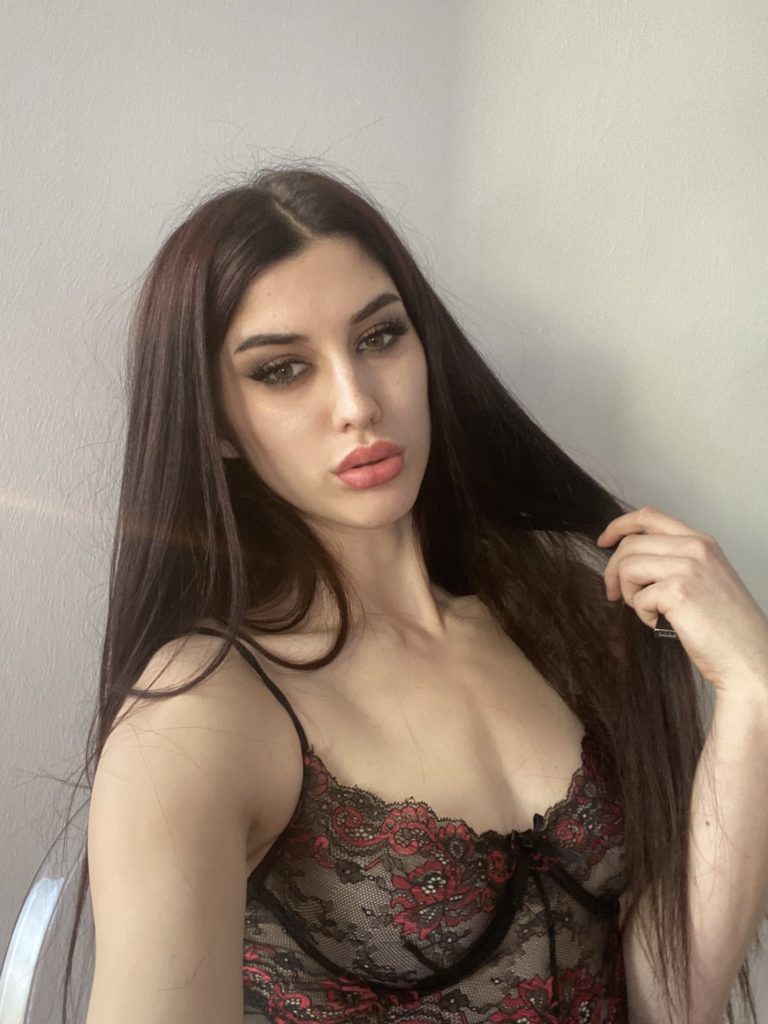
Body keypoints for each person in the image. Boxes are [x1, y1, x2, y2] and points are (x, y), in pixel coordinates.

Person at [63, 166, 762, 1024]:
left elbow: (674, 1002)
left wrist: (753, 694)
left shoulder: (568, 620)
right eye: (283, 370)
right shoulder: (200, 715)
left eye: (380, 336)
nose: (357, 404)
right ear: (216, 426)